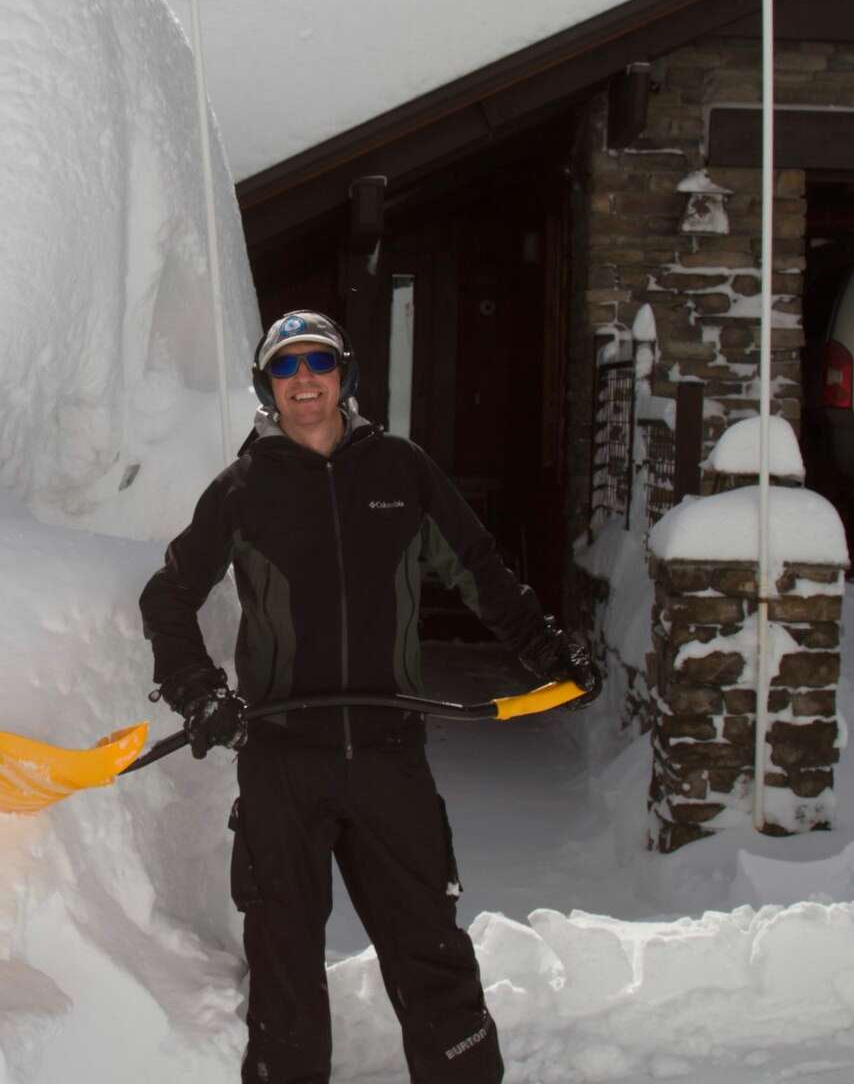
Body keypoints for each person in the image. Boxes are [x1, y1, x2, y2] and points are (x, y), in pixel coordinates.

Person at [139, 309, 599, 1084]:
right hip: (283, 767)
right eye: (285, 367)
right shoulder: (244, 489)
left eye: (318, 360)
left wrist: (549, 654)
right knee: (284, 967)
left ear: (344, 374)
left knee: (431, 952)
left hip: (389, 758)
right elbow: (169, 595)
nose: (303, 378)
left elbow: (480, 571)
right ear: (267, 386)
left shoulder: (400, 470)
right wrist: (199, 691)